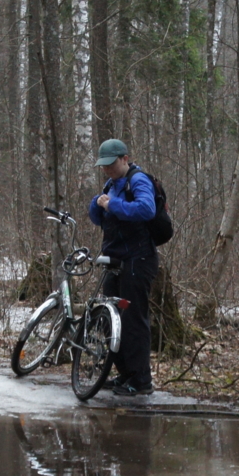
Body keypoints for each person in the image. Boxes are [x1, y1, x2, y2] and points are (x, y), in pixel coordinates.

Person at [88, 138, 159, 396]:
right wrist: (97, 204)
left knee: (133, 321)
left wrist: (112, 204)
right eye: (103, 166)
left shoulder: (138, 180)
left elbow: (146, 209)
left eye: (111, 164)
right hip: (115, 263)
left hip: (137, 262)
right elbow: (100, 218)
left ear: (124, 159)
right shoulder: (112, 183)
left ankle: (141, 381)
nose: (106, 169)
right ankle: (124, 374)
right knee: (111, 319)